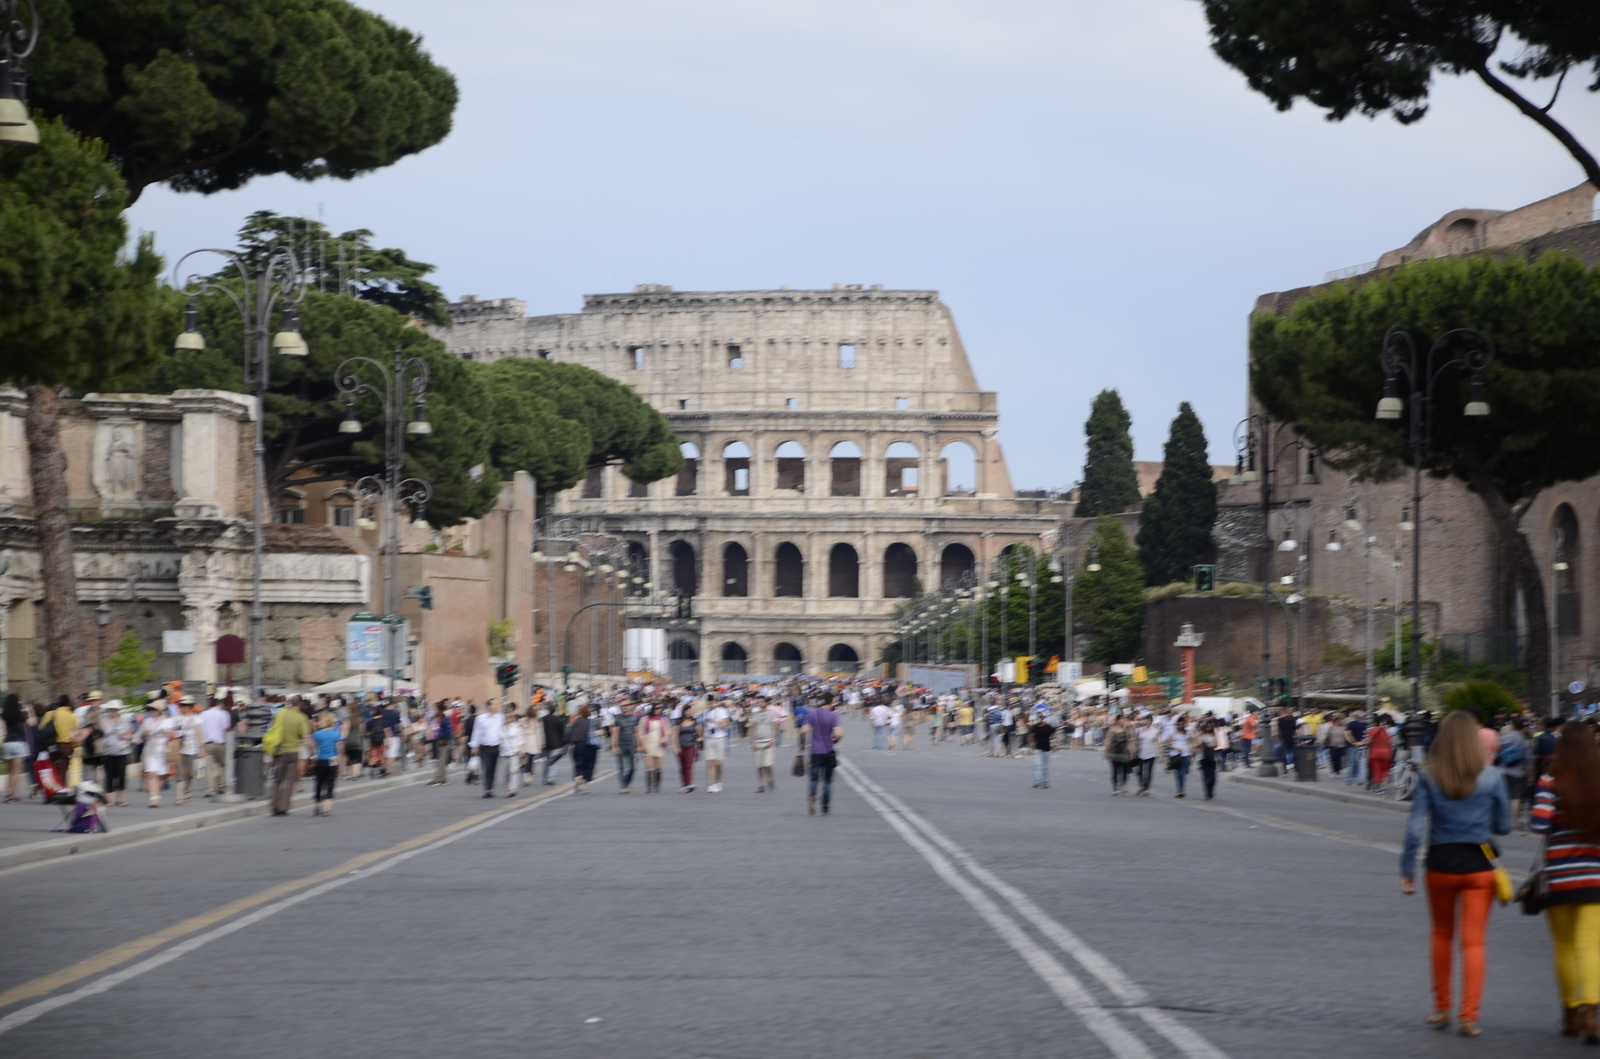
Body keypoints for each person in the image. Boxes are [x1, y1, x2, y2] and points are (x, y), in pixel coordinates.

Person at [1400, 710, 1512, 1038]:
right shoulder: (1492, 777)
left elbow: (1415, 828)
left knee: (1441, 935)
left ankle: (1441, 1008)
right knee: (1474, 942)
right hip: (1479, 864)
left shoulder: (1429, 774)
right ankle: (1468, 1016)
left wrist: (1407, 870)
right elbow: (1504, 825)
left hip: (1441, 864)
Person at [1531, 721, 1600, 1043]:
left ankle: (1570, 1015)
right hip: (1596, 878)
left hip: (1559, 877)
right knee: (1591, 946)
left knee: (1564, 948)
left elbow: (1538, 822)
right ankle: (1591, 1014)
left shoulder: (1551, 777)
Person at [262, 700, 310, 816]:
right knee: (289, 780)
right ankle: (283, 807)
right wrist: (310, 749)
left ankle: (274, 806)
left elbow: (273, 728)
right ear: (299, 705)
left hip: (279, 750)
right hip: (293, 751)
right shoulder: (301, 717)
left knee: (277, 779)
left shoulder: (280, 713)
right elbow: (305, 737)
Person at [801, 693, 843, 816]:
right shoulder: (832, 716)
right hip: (828, 751)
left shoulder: (812, 713)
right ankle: (825, 808)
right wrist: (834, 741)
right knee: (827, 781)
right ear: (831, 702)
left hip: (815, 751)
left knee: (814, 779)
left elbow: (803, 730)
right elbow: (839, 733)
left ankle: (812, 797)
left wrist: (802, 744)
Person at [137, 706, 175, 808]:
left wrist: (166, 732)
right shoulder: (147, 721)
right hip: (151, 750)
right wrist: (146, 733)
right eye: (152, 710)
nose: (154, 711)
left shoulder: (167, 721)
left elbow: (173, 735)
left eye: (156, 709)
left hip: (164, 751)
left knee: (162, 775)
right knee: (152, 774)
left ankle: (157, 795)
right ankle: (153, 798)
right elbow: (141, 736)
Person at [469, 699, 505, 799]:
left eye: (498, 704)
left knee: (493, 768)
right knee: (487, 767)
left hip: (496, 746)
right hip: (484, 747)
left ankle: (491, 788)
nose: (497, 706)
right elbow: (476, 732)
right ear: (489, 706)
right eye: (495, 704)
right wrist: (474, 746)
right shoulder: (480, 718)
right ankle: (487, 789)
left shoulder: (501, 717)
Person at [310, 712, 342, 817]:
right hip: (332, 760)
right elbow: (339, 749)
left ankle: (317, 806)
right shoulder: (335, 733)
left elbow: (313, 747)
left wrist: (312, 757)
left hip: (320, 760)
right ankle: (327, 809)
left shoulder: (317, 734)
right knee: (330, 783)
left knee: (319, 784)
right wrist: (339, 763)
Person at [199, 697, 232, 798]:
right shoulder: (223, 714)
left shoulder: (204, 714)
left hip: (207, 744)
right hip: (219, 743)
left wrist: (200, 745)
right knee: (222, 765)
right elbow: (226, 728)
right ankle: (221, 786)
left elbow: (200, 728)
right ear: (221, 704)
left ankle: (210, 790)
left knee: (209, 768)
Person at [701, 697, 731, 793]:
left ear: (715, 702)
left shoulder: (722, 711)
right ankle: (711, 784)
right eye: (708, 703)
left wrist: (716, 722)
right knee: (710, 762)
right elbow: (702, 725)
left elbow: (725, 726)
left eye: (711, 702)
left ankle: (718, 781)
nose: (709, 705)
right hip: (709, 738)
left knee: (718, 763)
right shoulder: (705, 713)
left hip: (719, 738)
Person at [749, 698, 779, 793]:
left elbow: (775, 728)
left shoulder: (771, 714)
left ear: (766, 703)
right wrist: (752, 741)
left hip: (768, 741)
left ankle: (770, 779)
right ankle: (761, 785)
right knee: (759, 765)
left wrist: (773, 740)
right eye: (758, 702)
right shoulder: (755, 714)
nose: (759, 704)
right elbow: (751, 727)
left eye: (761, 702)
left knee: (767, 764)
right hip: (757, 742)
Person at [2, 693, 26, 804]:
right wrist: (29, 710)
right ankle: (13, 795)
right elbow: (30, 721)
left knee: (10, 771)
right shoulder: (20, 714)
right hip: (18, 743)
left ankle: (8, 794)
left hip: (7, 743)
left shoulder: (5, 714)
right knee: (16, 772)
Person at [610, 702, 638, 793]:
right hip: (621, 745)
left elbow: (637, 732)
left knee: (632, 767)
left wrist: (639, 744)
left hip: (631, 744)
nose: (625, 707)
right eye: (623, 706)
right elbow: (614, 733)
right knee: (621, 767)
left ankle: (627, 781)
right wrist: (615, 746)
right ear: (620, 708)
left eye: (627, 706)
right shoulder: (617, 718)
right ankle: (623, 786)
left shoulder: (633, 718)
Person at [569, 705, 597, 794]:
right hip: (590, 745)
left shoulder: (576, 722)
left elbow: (570, 734)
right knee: (589, 765)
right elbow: (599, 731)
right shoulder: (592, 721)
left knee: (578, 763)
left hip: (578, 745)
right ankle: (586, 787)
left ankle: (578, 777)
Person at [1103, 715, 1132, 795]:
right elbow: (1108, 741)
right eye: (1121, 719)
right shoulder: (1111, 730)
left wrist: (1132, 752)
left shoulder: (1126, 731)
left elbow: (1128, 742)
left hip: (1123, 752)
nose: (1122, 721)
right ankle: (1115, 789)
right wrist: (1106, 752)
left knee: (1124, 770)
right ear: (1117, 721)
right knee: (1114, 771)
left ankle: (1122, 784)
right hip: (1114, 752)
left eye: (1124, 719)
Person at [674, 703, 699, 793]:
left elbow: (698, 732)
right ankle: (684, 785)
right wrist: (676, 746)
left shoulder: (694, 721)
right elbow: (675, 735)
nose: (689, 713)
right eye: (688, 711)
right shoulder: (679, 722)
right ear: (684, 712)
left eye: (691, 711)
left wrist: (699, 738)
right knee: (682, 766)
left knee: (688, 765)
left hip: (691, 745)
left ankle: (689, 783)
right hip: (681, 746)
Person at [1167, 716, 1194, 799]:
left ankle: (1181, 790)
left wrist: (1191, 756)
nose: (1180, 726)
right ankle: (1180, 791)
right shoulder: (1173, 733)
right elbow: (1168, 744)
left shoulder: (1188, 733)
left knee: (1182, 772)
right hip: (1175, 755)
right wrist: (1175, 748)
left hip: (1185, 754)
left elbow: (1190, 744)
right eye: (1178, 724)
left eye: (1181, 724)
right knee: (1178, 774)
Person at [541, 709, 569, 785]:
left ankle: (545, 778)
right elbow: (561, 731)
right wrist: (562, 742)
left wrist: (541, 744)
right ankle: (551, 778)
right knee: (553, 761)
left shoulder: (543, 719)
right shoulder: (557, 719)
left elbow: (541, 732)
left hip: (546, 742)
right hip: (556, 743)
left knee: (546, 761)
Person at [1028, 710, 1053, 788]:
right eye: (1039, 716)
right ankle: (1037, 781)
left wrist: (1056, 744)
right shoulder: (1035, 727)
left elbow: (1053, 735)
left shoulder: (1048, 727)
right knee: (1037, 765)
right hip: (1038, 748)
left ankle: (1045, 782)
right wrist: (1031, 747)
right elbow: (1031, 737)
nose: (1040, 718)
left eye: (1041, 716)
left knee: (1045, 767)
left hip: (1047, 748)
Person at [1197, 719, 1220, 799]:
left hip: (1212, 757)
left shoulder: (1213, 734)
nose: (1209, 728)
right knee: (1206, 776)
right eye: (1207, 727)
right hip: (1202, 757)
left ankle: (1211, 791)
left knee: (1213, 777)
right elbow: (1196, 745)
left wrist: (1209, 745)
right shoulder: (1201, 734)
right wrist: (1202, 743)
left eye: (1210, 726)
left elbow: (1216, 744)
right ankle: (1207, 793)